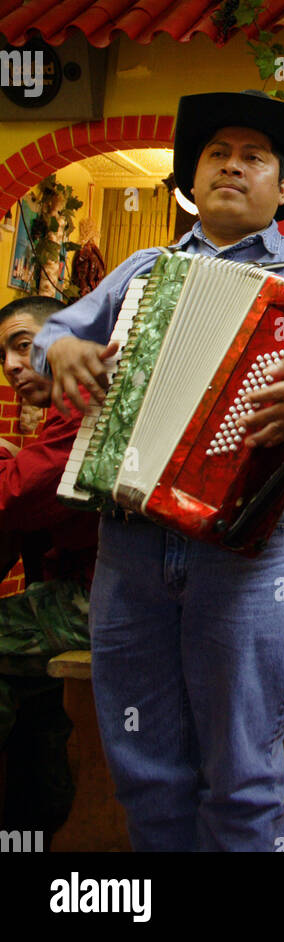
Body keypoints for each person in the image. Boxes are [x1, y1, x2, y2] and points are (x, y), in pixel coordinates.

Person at [31, 91, 284, 852]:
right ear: (191, 181)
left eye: (255, 157)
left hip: (246, 548)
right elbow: (49, 339)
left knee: (244, 772)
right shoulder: (141, 269)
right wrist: (56, 347)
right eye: (217, 154)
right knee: (144, 768)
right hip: (127, 547)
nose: (233, 165)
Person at [0, 296, 95, 840]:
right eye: (5, 354)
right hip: (86, 591)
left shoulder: (82, 404)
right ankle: (31, 824)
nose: (12, 365)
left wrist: (15, 465)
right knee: (29, 684)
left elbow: (20, 495)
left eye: (22, 345)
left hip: (102, 602)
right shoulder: (65, 409)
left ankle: (30, 822)